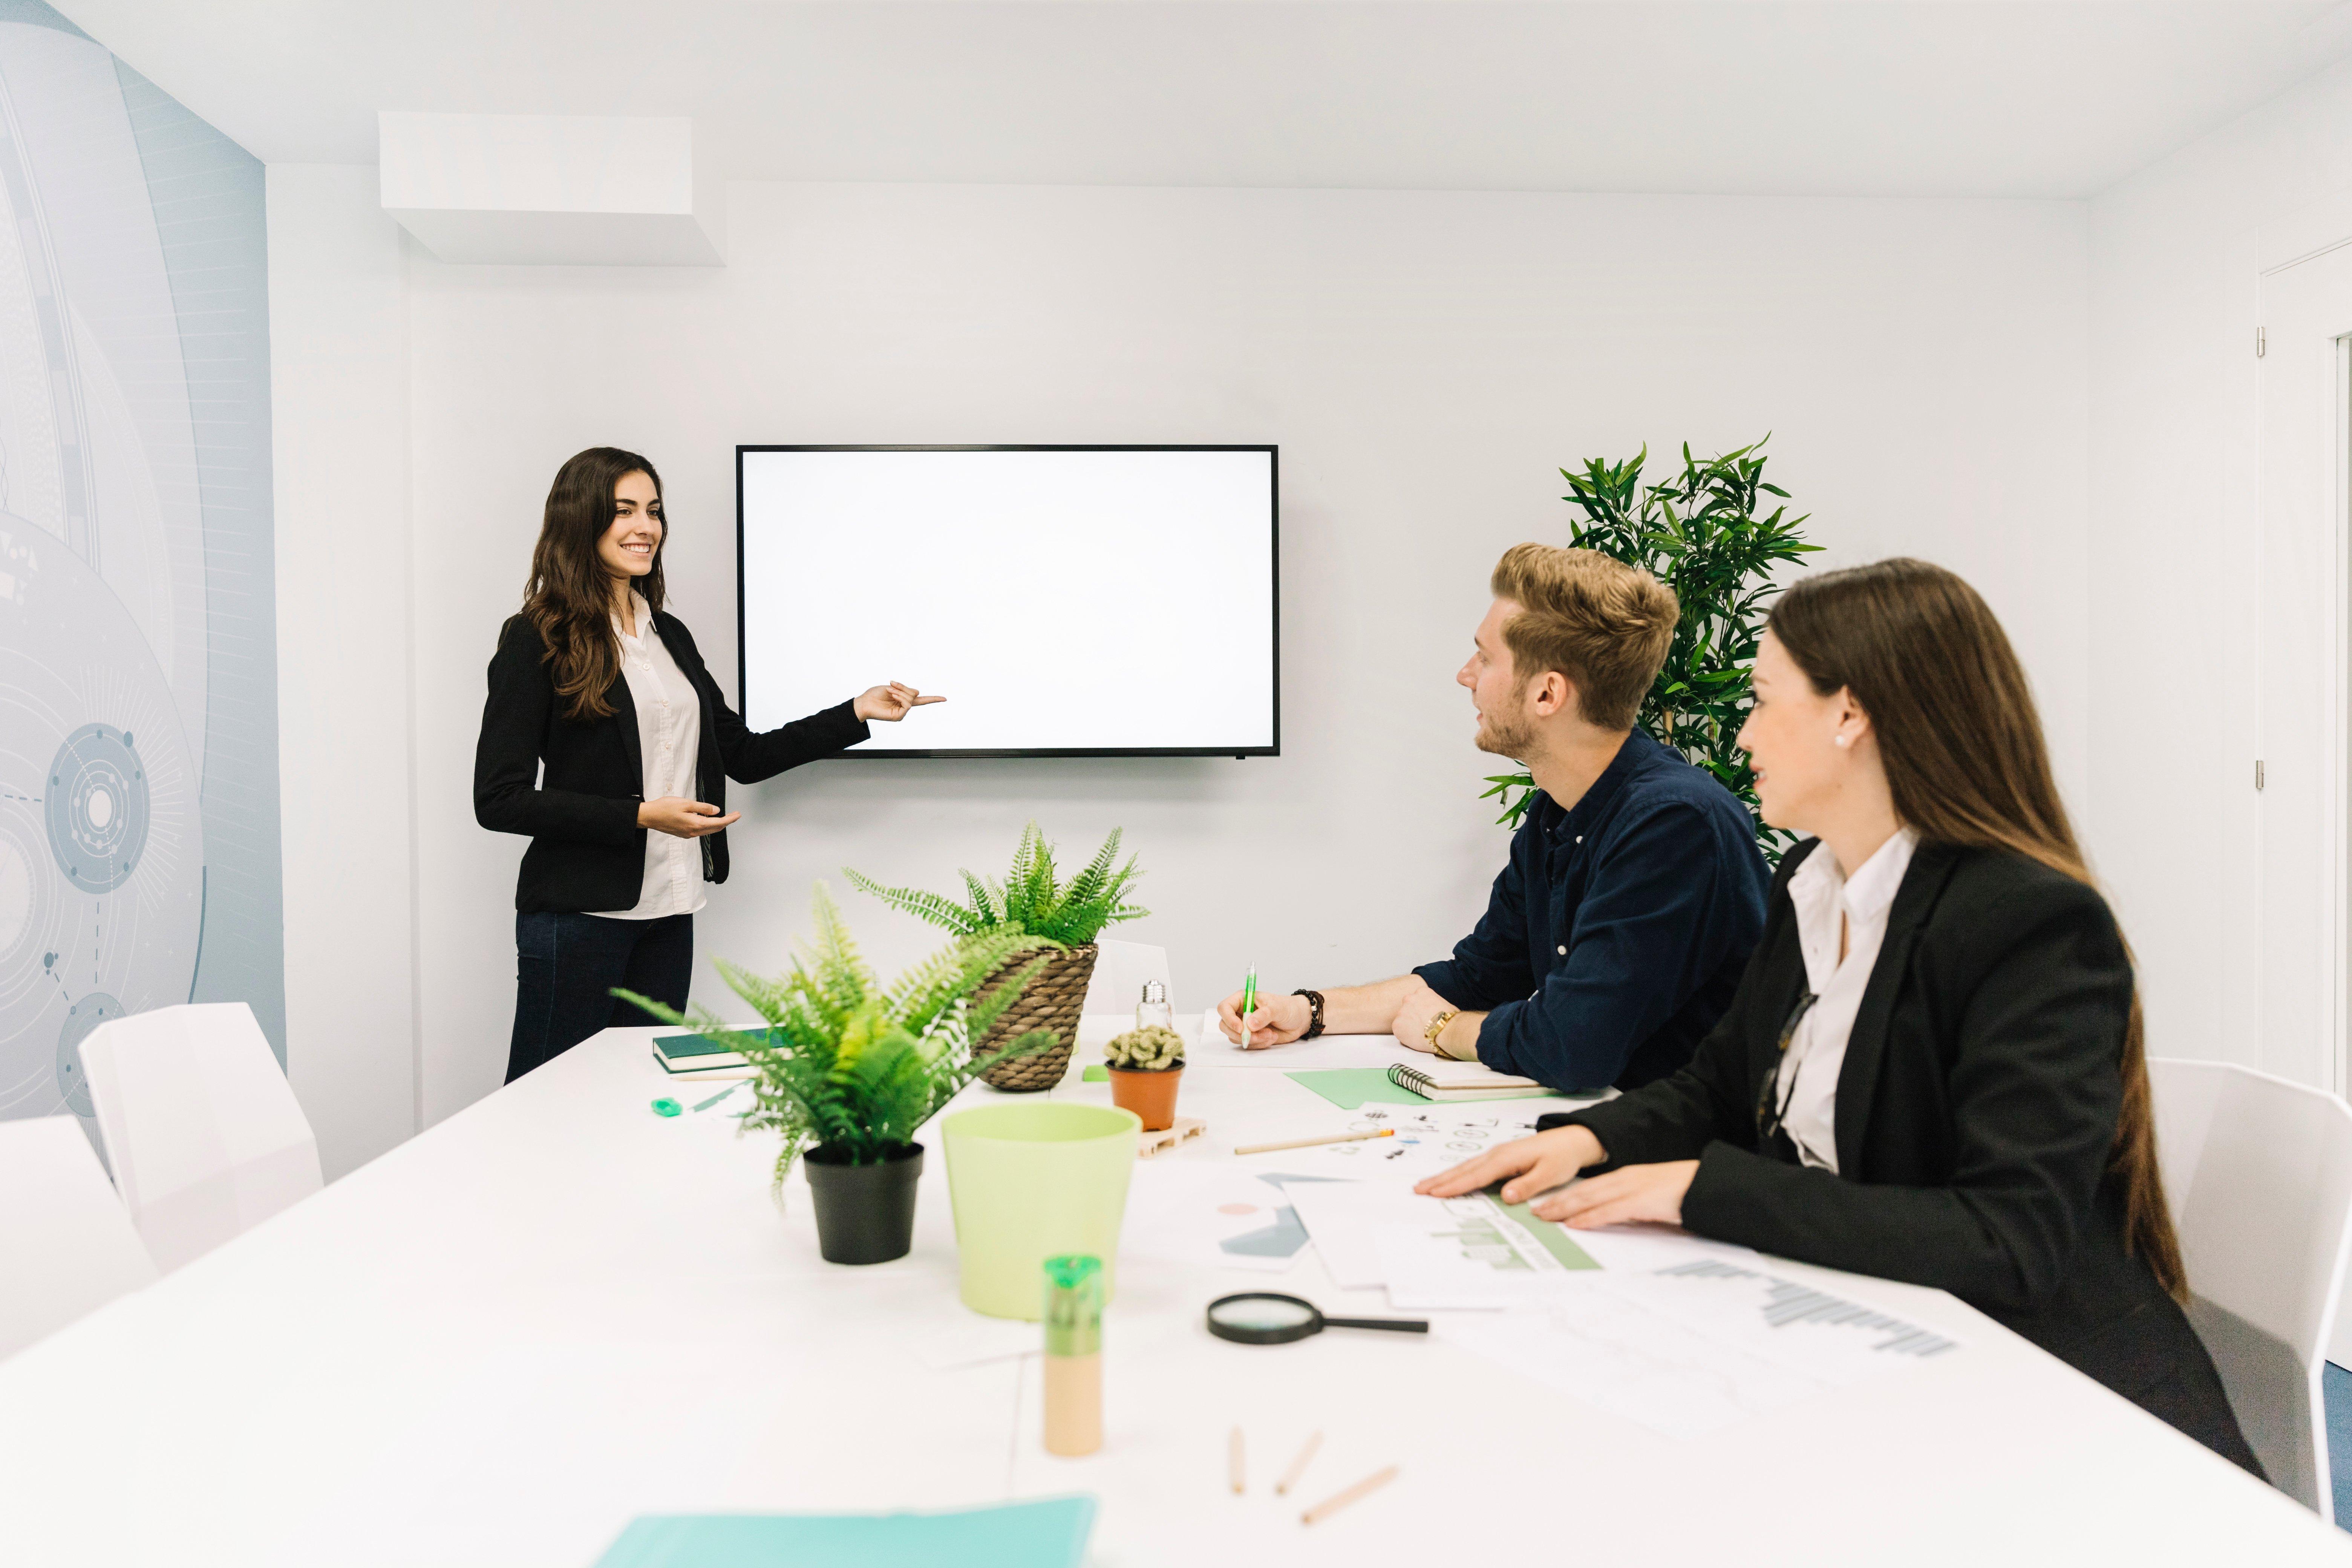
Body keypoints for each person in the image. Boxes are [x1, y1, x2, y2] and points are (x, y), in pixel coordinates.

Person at [1417, 557, 2259, 1472]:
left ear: (1849, 715)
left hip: (2061, 1409)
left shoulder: (2031, 923)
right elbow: (1720, 1084)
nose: (1742, 735)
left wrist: (1699, 1190)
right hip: (1882, 1341)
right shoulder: (1814, 884)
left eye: (1764, 701)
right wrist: (1587, 1141)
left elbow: (2006, 1238)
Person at [1218, 543, 1770, 1092]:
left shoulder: (1675, 826)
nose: (1466, 675)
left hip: (1688, 1154)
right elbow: (1479, 977)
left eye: (1484, 658)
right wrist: (1307, 1011)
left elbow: (1572, 1046)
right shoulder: (1558, 811)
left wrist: (1446, 1031)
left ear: (1547, 693)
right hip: (1612, 1124)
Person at [476, 446, 941, 1083]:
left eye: (654, 511)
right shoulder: (536, 637)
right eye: (623, 511)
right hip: (578, 920)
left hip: (670, 913)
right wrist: (641, 816)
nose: (645, 527)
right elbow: (498, 799)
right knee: (548, 1106)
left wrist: (854, 712)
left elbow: (743, 754)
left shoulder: (670, 636)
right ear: (580, 520)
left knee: (641, 1101)